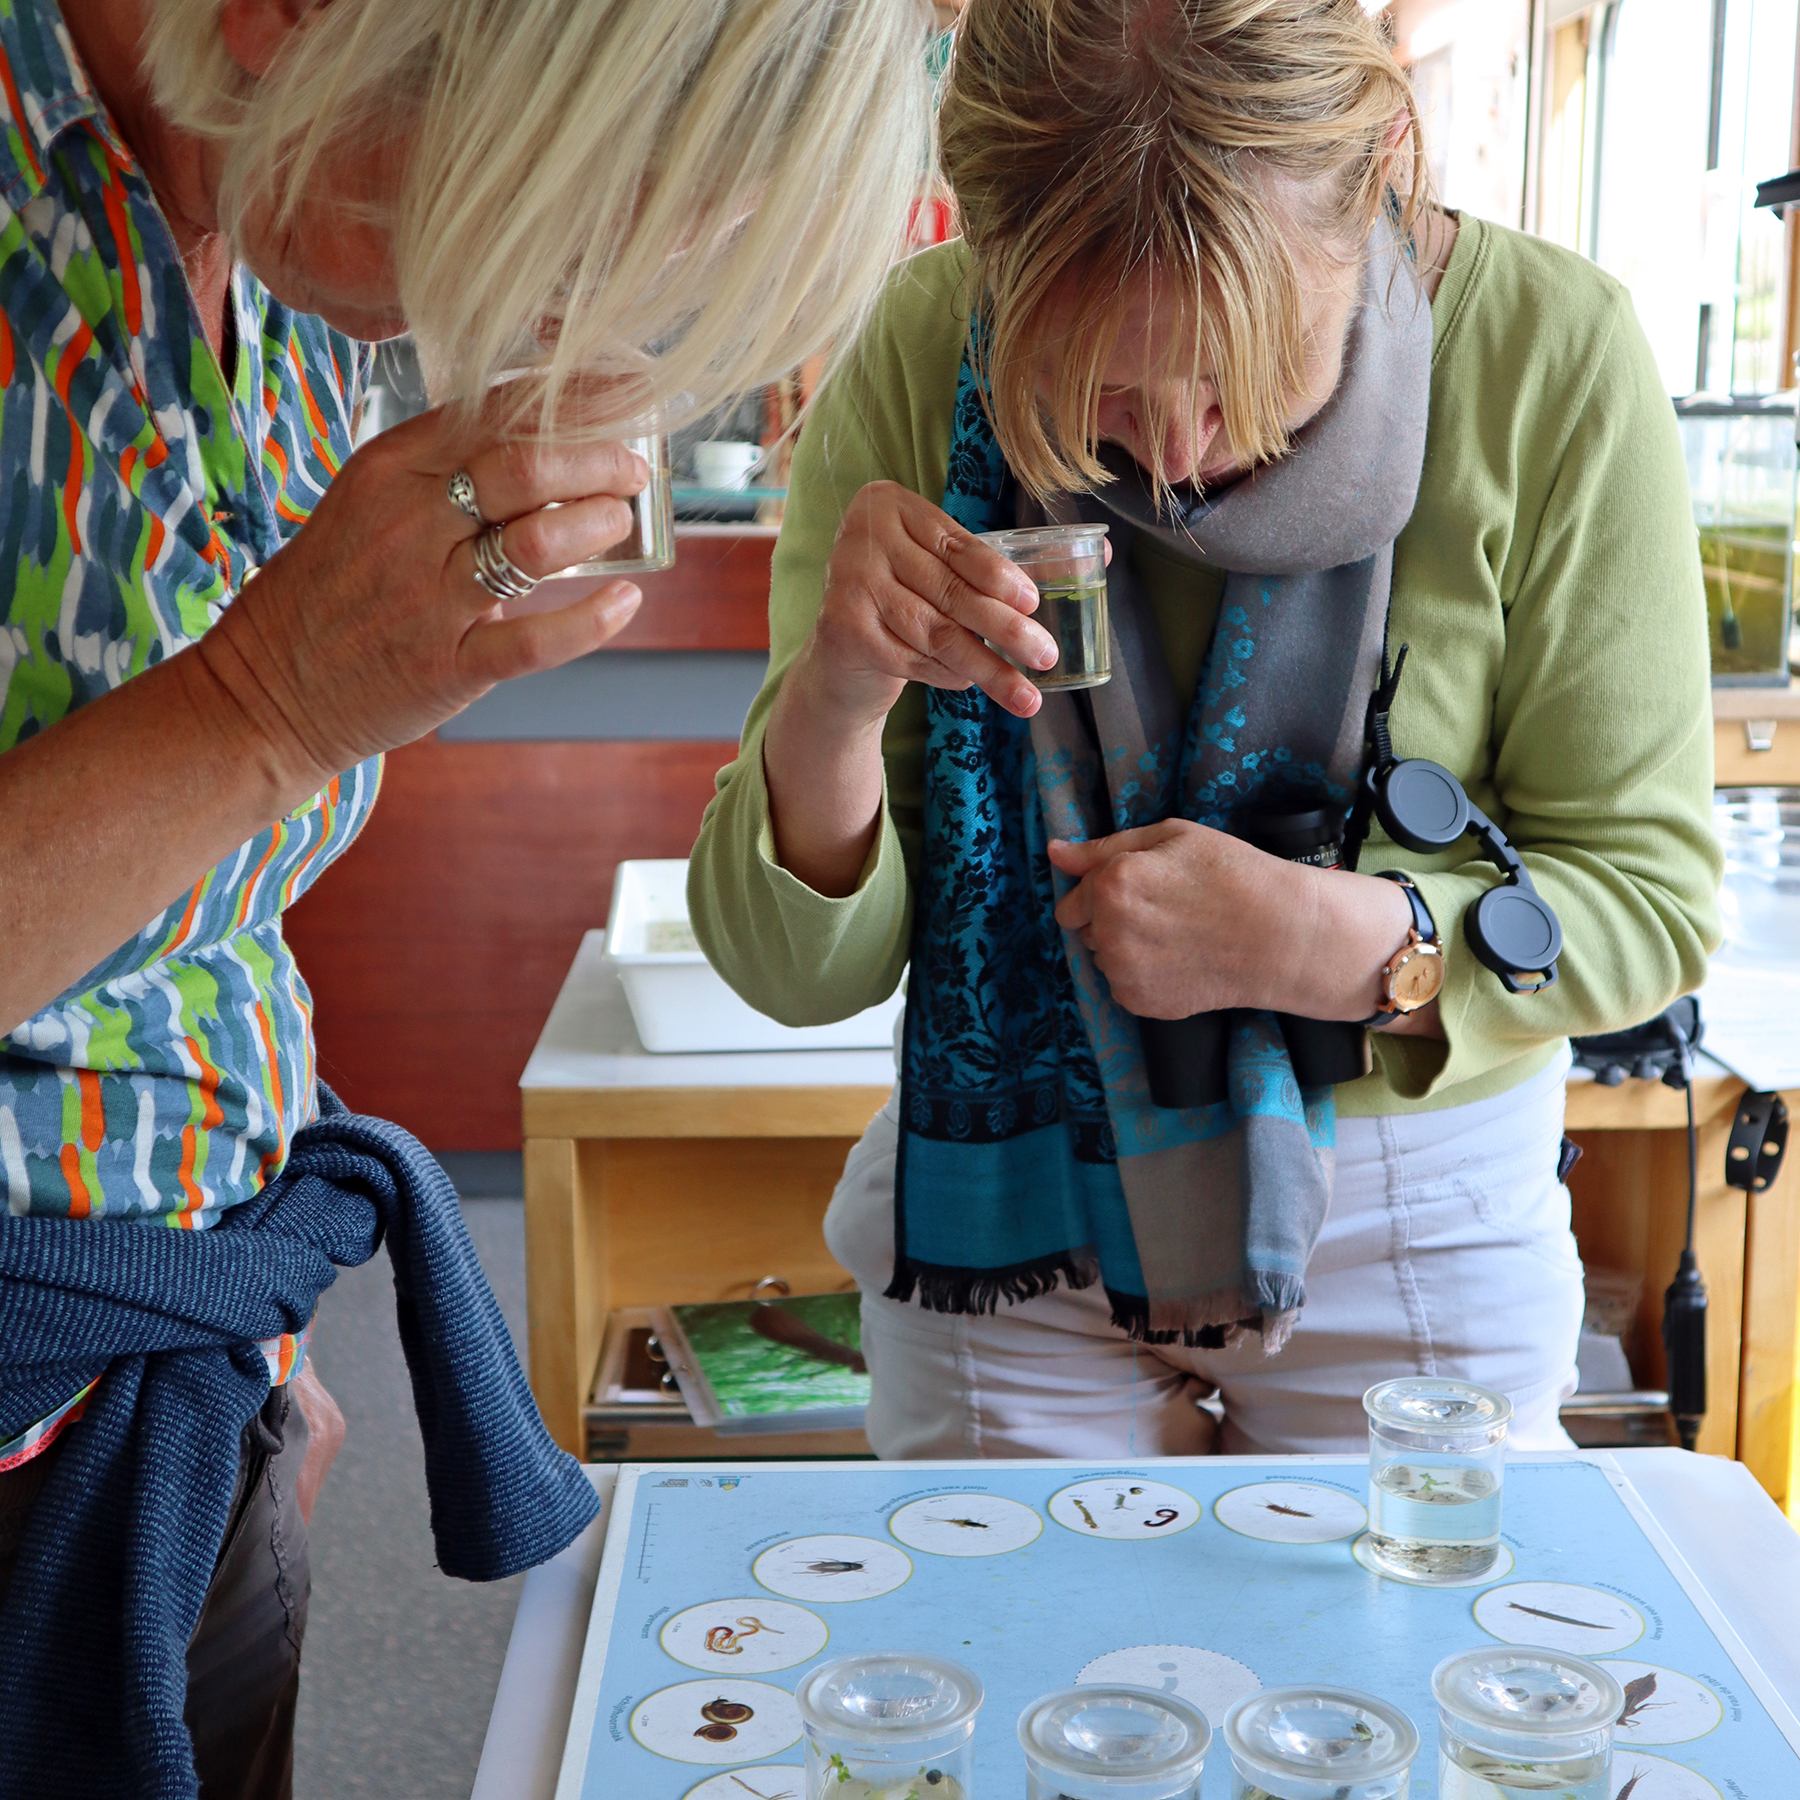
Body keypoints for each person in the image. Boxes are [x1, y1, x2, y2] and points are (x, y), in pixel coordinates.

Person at [0, 0, 933, 1793]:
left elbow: (187, 916)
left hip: (191, 1386)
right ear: (291, 23)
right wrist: (268, 701)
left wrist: (256, 1320)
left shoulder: (265, 248)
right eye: (549, 223)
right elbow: (229, 746)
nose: (557, 323)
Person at [689, 0, 1721, 1463]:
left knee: (1402, 1679)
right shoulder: (925, 348)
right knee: (1019, 1663)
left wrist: (1325, 945)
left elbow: (1651, 900)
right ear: (987, 257)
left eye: (1241, 378)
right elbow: (791, 974)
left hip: (1408, 1205)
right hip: (1016, 1216)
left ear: (1380, 192)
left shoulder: (1547, 353)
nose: (1171, 459)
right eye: (1100, 386)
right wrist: (838, 698)